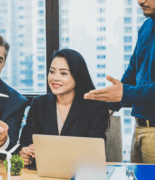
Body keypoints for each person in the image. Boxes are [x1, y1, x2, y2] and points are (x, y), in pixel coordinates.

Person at [84, 0, 155, 163]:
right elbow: (133, 71)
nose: (140, 1)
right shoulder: (146, 27)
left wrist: (125, 93)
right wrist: (111, 105)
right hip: (140, 126)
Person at [19, 49, 109, 165]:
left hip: (80, 173)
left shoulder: (96, 107)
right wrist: (25, 152)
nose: (55, 78)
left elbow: (96, 152)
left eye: (63, 73)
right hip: (43, 172)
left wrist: (48, 151)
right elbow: (25, 142)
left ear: (78, 76)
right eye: (52, 72)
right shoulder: (38, 103)